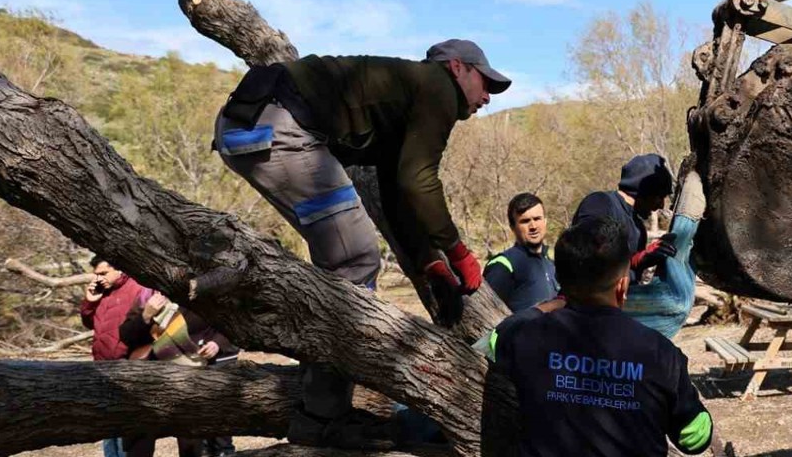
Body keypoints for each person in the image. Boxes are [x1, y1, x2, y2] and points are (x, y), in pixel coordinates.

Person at [212, 38, 511, 445]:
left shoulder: (408, 94)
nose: (488, 97)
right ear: (457, 67)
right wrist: (458, 252)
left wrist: (429, 260)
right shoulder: (438, 86)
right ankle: (321, 417)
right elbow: (419, 181)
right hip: (275, 129)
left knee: (342, 267)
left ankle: (319, 396)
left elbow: (396, 190)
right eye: (486, 83)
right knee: (355, 262)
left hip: (252, 124)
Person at [487, 216, 714, 456]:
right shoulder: (661, 354)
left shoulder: (525, 338)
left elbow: (494, 340)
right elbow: (694, 439)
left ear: (560, 281)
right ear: (622, 286)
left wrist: (549, 305)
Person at [573, 154, 704, 338]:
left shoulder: (639, 228)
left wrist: (647, 259)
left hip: (621, 301)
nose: (660, 205)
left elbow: (630, 271)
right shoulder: (600, 203)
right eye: (659, 197)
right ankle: (690, 205)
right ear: (644, 190)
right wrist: (637, 259)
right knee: (676, 301)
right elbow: (586, 255)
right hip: (593, 300)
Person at [117, 290, 240, 457]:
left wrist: (216, 344)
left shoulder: (202, 293)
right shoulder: (147, 295)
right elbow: (126, 336)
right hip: (149, 380)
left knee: (190, 440)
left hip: (189, 377)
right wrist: (145, 316)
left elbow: (229, 324)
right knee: (140, 441)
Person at [80, 256, 145, 457]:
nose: (99, 278)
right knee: (108, 425)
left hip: (127, 365)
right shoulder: (102, 291)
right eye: (96, 275)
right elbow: (90, 323)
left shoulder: (137, 288)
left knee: (126, 426)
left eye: (103, 273)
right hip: (102, 366)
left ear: (119, 269)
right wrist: (90, 302)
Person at [484, 192, 559, 312]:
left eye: (537, 219)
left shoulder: (552, 264)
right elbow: (489, 313)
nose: (533, 226)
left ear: (545, 221)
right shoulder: (503, 264)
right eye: (525, 221)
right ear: (512, 227)